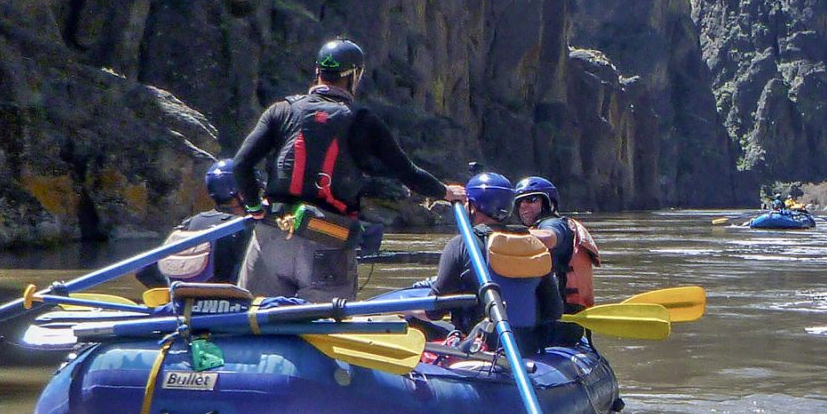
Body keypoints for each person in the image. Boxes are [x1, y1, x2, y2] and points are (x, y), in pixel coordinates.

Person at [229, 39, 466, 302]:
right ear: (354, 76)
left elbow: (241, 165)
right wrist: (444, 192)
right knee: (326, 333)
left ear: (317, 71)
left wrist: (254, 207)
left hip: (272, 234)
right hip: (328, 239)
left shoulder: (281, 110)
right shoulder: (364, 121)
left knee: (254, 319)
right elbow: (407, 172)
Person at [428, 171, 563, 350]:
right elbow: (553, 310)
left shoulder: (461, 244)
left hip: (479, 344)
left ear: (473, 207)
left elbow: (434, 309)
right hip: (527, 345)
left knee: (413, 321)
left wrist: (410, 312)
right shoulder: (532, 244)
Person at [142, 158, 253, 287]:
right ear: (241, 193)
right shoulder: (245, 228)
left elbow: (144, 271)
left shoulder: (188, 225)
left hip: (184, 299)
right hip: (231, 300)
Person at [511, 175, 600, 312]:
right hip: (555, 315)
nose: (523, 206)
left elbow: (549, 237)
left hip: (561, 320)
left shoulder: (554, 224)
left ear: (548, 203)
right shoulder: (537, 227)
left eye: (531, 200)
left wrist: (505, 234)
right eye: (519, 202)